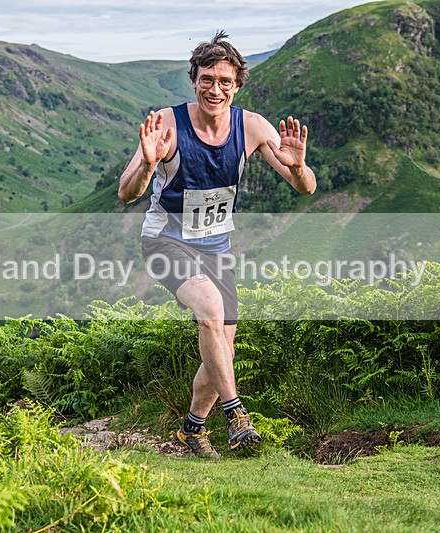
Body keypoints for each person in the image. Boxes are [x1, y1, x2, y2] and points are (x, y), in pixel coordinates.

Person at [118, 30, 316, 458]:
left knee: (221, 345)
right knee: (210, 311)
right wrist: (149, 164)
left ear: (237, 85)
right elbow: (126, 193)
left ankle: (192, 430)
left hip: (216, 248)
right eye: (207, 78)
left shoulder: (252, 127)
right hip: (165, 241)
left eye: (225, 81)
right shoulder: (168, 125)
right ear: (194, 80)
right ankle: (237, 415)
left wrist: (299, 167)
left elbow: (306, 187)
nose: (215, 88)